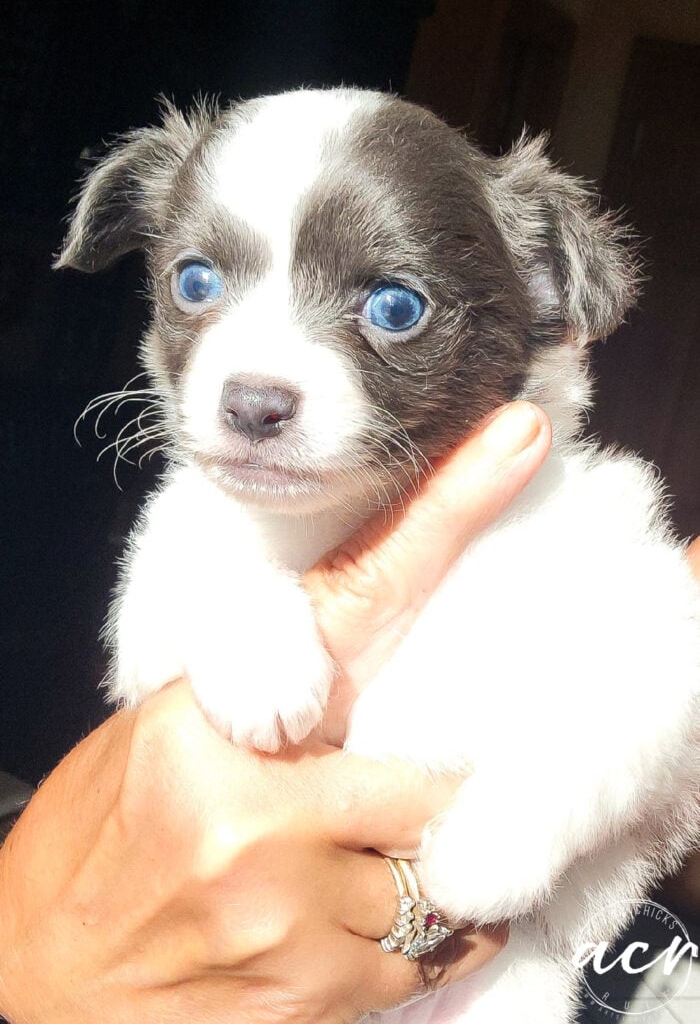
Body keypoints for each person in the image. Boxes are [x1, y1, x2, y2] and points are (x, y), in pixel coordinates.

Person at [2, 401, 687, 1024]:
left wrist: (542, 814)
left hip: (496, 973)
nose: (255, 395)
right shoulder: (206, 521)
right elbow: (155, 657)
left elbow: (645, 731)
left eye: (394, 310)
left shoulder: (592, 527)